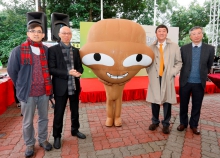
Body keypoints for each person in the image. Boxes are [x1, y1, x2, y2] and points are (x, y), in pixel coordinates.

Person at [7, 23, 53, 157]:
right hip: (28, 93)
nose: (36, 34)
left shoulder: (46, 50)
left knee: (43, 118)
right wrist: (22, 85)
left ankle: (43, 140)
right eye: (33, 31)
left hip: (44, 91)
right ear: (28, 33)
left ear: (43, 35)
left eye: (39, 31)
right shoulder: (19, 50)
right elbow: (12, 71)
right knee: (28, 121)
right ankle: (29, 144)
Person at [48, 26, 86, 149]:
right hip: (60, 87)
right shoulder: (53, 50)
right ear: (59, 35)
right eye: (64, 33)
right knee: (59, 113)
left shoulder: (75, 50)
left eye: (69, 33)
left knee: (75, 111)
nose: (66, 35)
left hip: (74, 86)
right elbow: (51, 69)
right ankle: (57, 136)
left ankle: (75, 130)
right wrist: (68, 72)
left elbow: (80, 67)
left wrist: (79, 72)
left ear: (71, 35)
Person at [177, 26, 214, 135]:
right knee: (183, 104)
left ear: (202, 35)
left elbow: (209, 65)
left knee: (197, 105)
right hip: (185, 81)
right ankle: (183, 123)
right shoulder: (183, 48)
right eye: (194, 34)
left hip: (199, 82)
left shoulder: (210, 49)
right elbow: (181, 63)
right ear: (190, 36)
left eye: (198, 33)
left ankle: (194, 125)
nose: (196, 36)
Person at [146, 24, 182, 134]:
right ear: (156, 34)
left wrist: (172, 72)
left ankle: (166, 123)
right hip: (155, 77)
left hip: (167, 77)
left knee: (167, 101)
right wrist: (150, 71)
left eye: (164, 31)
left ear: (167, 33)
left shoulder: (174, 46)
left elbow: (179, 62)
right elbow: (147, 62)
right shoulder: (150, 47)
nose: (161, 33)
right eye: (159, 31)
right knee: (155, 100)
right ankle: (155, 121)